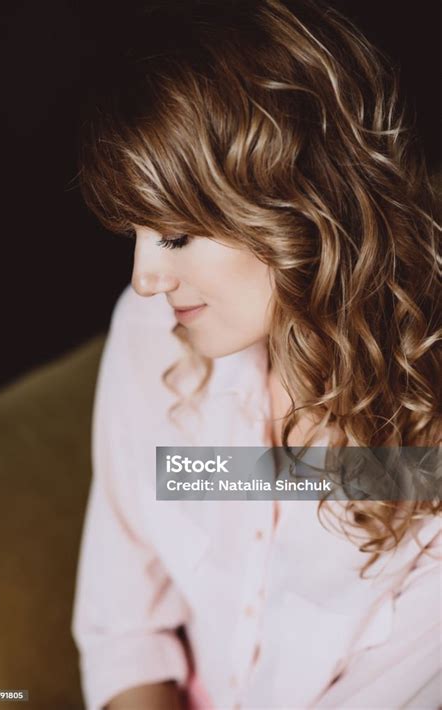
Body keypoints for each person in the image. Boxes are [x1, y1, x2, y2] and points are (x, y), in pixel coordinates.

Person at [71, 1, 441, 708]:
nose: (144, 278)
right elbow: (122, 633)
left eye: (176, 235)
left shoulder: (427, 472)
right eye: (138, 234)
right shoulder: (151, 333)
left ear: (302, 202)